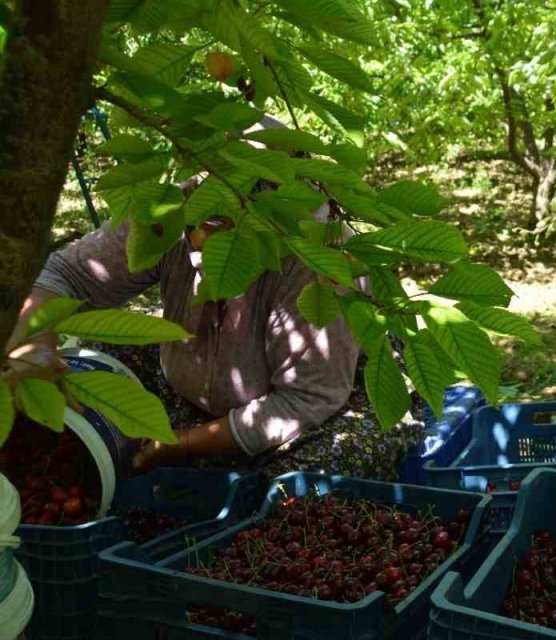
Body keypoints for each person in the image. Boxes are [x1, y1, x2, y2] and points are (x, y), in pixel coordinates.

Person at [5, 120, 431, 482]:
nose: (203, 241)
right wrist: (33, 345)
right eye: (203, 218)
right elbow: (66, 274)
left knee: (322, 472)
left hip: (326, 401)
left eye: (228, 227)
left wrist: (185, 444)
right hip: (189, 380)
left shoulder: (318, 262)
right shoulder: (173, 211)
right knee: (88, 356)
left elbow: (307, 398)